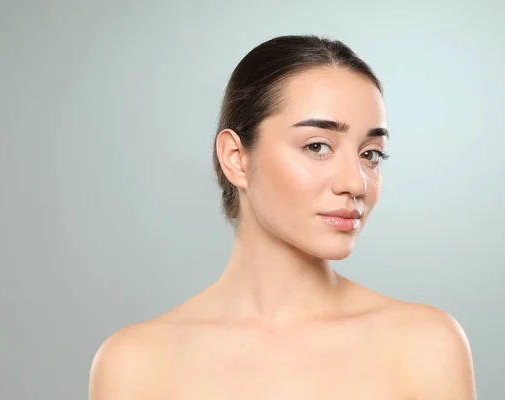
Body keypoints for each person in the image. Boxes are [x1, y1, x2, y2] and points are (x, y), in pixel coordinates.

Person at [89, 34, 477, 399]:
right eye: (318, 146)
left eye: (370, 153)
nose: (355, 184)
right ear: (236, 159)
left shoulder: (425, 347)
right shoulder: (136, 365)